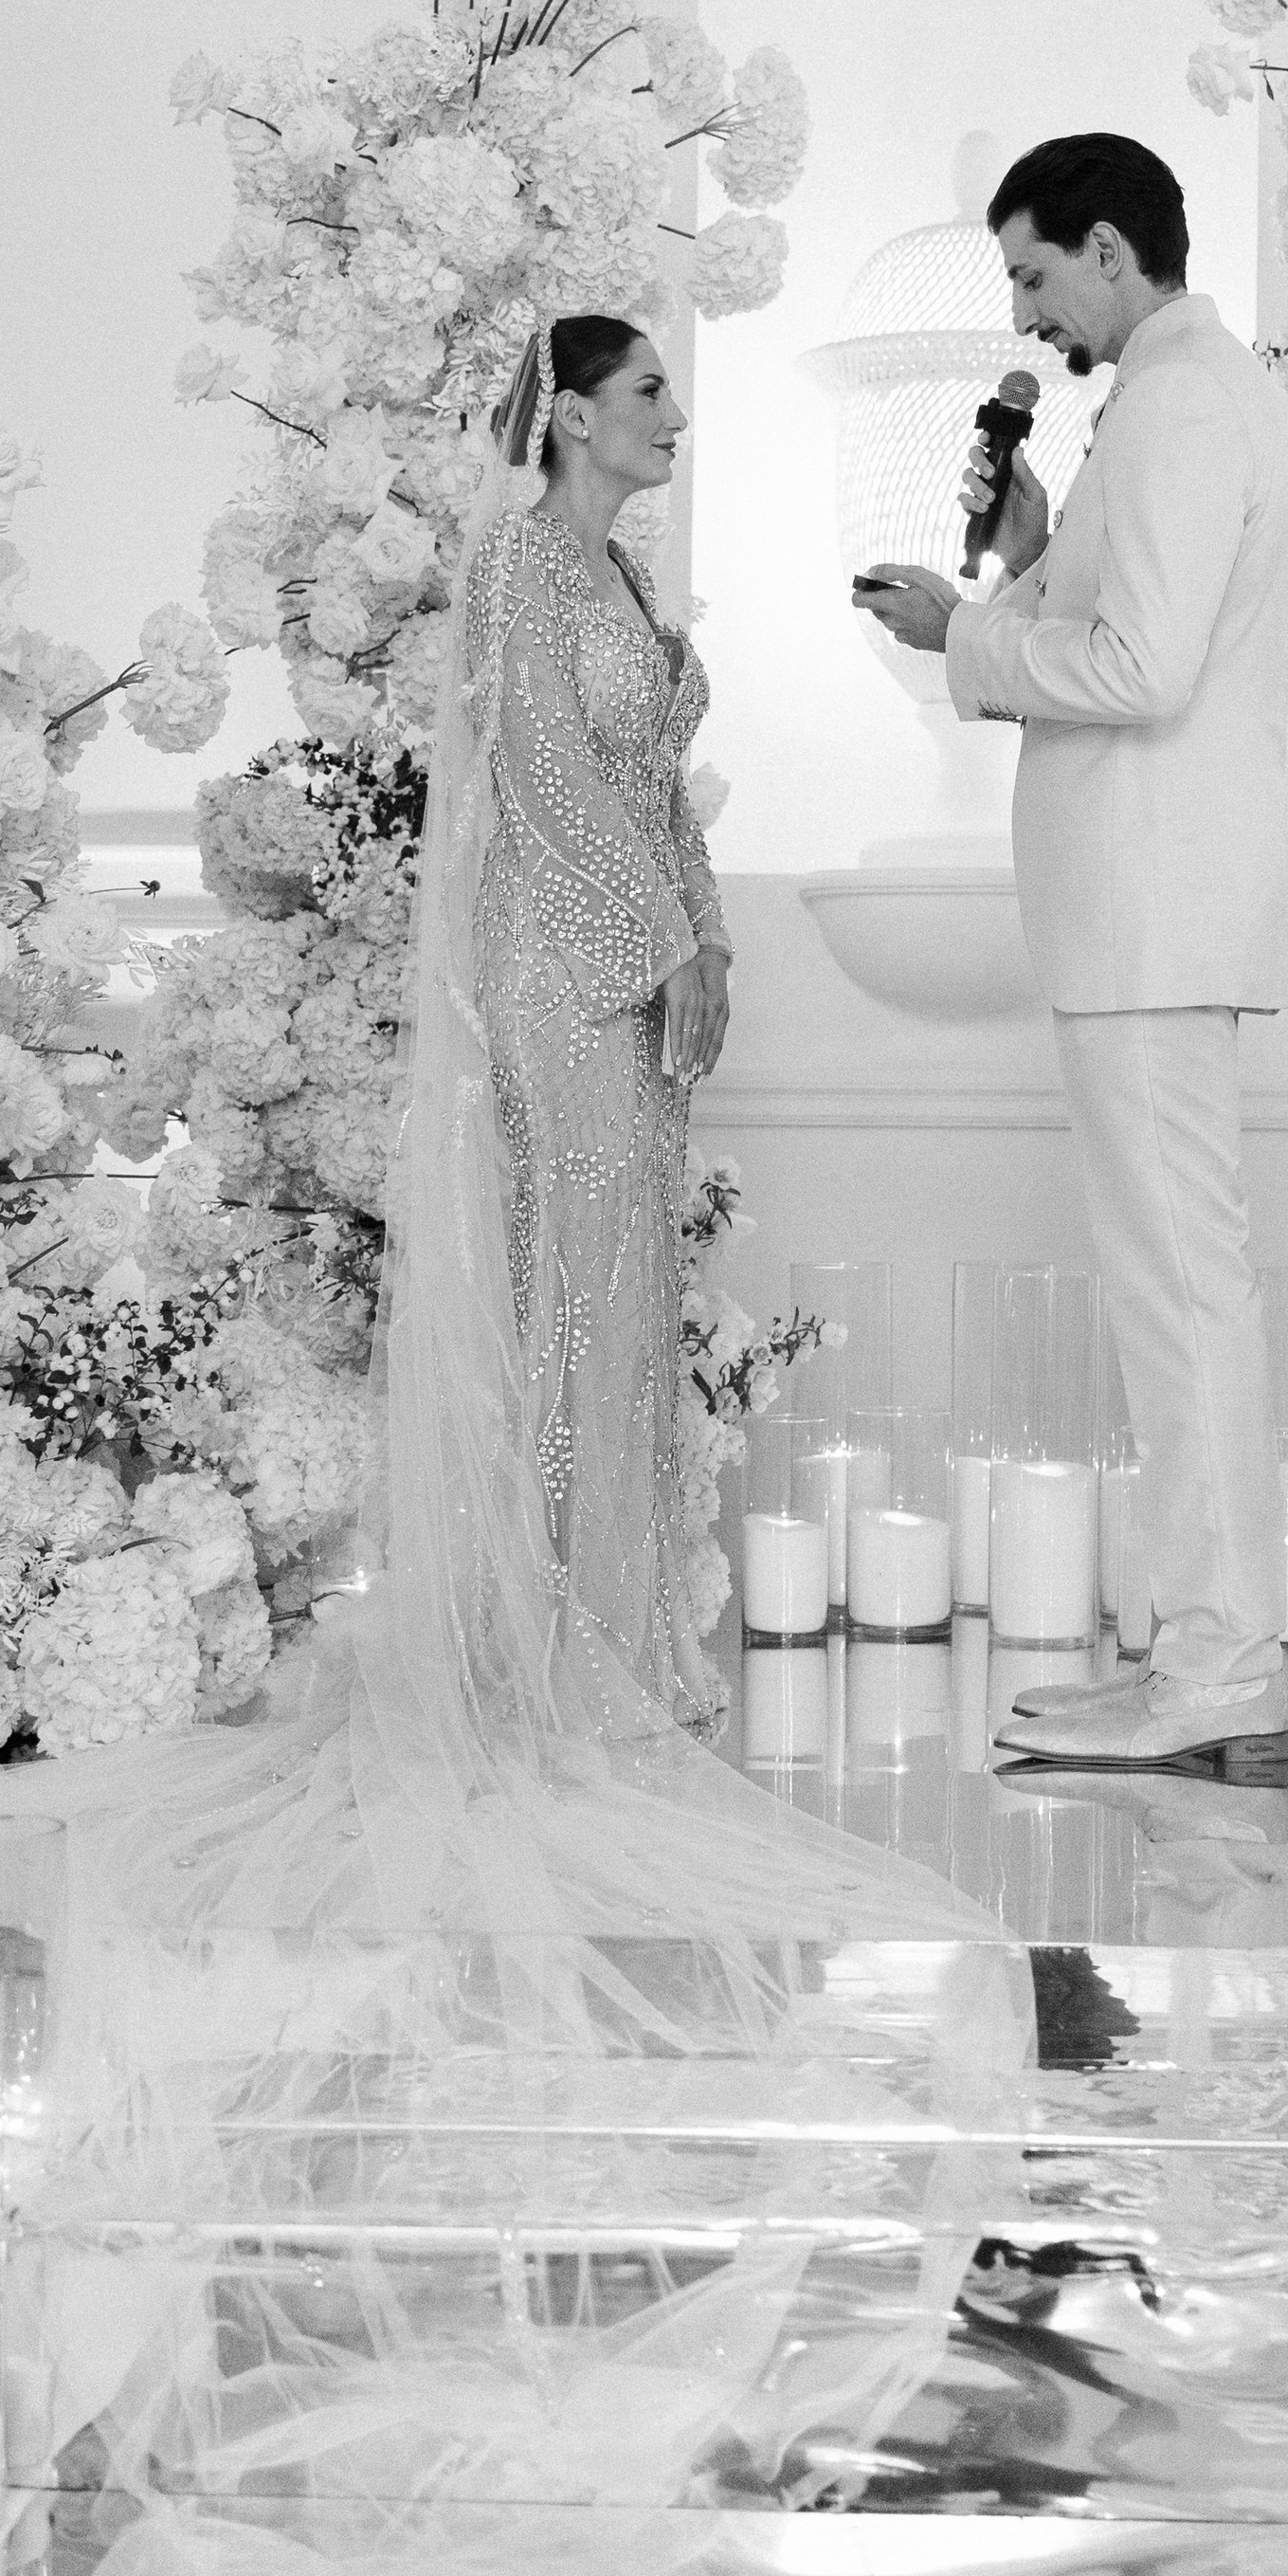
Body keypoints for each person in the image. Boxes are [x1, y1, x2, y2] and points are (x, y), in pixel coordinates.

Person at [855, 132, 1288, 1765]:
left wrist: (963, 632)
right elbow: (1123, 616)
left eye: (1037, 276)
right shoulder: (1178, 397)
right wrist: (1037, 542)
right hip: (1146, 911)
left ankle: (1225, 1683)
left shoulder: (1188, 399)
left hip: (1155, 912)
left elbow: (1141, 671)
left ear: (1113, 250)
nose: (1031, 315)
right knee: (1170, 1292)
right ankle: (1200, 1657)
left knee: (1187, 1298)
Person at [464, 311, 734, 1730]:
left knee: (631, 1286)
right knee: (573, 1283)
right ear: (569, 414)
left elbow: (650, 779)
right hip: (563, 965)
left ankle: (619, 1629)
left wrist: (713, 940)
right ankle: (548, 1646)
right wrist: (665, 938)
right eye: (646, 390)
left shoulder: (617, 570)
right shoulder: (522, 563)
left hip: (638, 960)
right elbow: (549, 774)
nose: (672, 414)